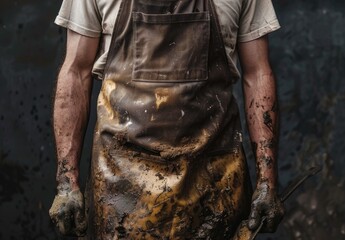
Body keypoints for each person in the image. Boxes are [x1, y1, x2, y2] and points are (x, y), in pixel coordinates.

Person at [48, 0, 284, 239]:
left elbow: (258, 73)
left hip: (215, 185)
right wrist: (67, 182)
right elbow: (76, 71)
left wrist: (267, 182)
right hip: (122, 191)